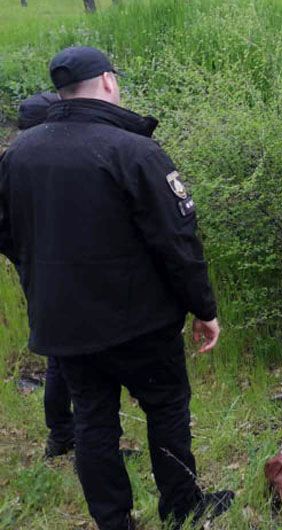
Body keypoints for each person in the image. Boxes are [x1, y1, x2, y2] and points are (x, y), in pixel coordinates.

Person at [0, 47, 233, 530]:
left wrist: (43, 275)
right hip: (140, 321)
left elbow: (7, 231)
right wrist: (203, 308)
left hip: (63, 320)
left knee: (92, 418)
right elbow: (177, 241)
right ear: (107, 82)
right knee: (165, 406)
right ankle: (181, 505)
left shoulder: (18, 153)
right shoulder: (134, 151)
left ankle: (113, 521)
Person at [13, 91, 77, 459]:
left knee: (59, 356)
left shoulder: (15, 162)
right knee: (78, 359)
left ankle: (62, 435)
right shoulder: (48, 165)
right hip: (61, 272)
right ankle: (77, 440)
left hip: (37, 271)